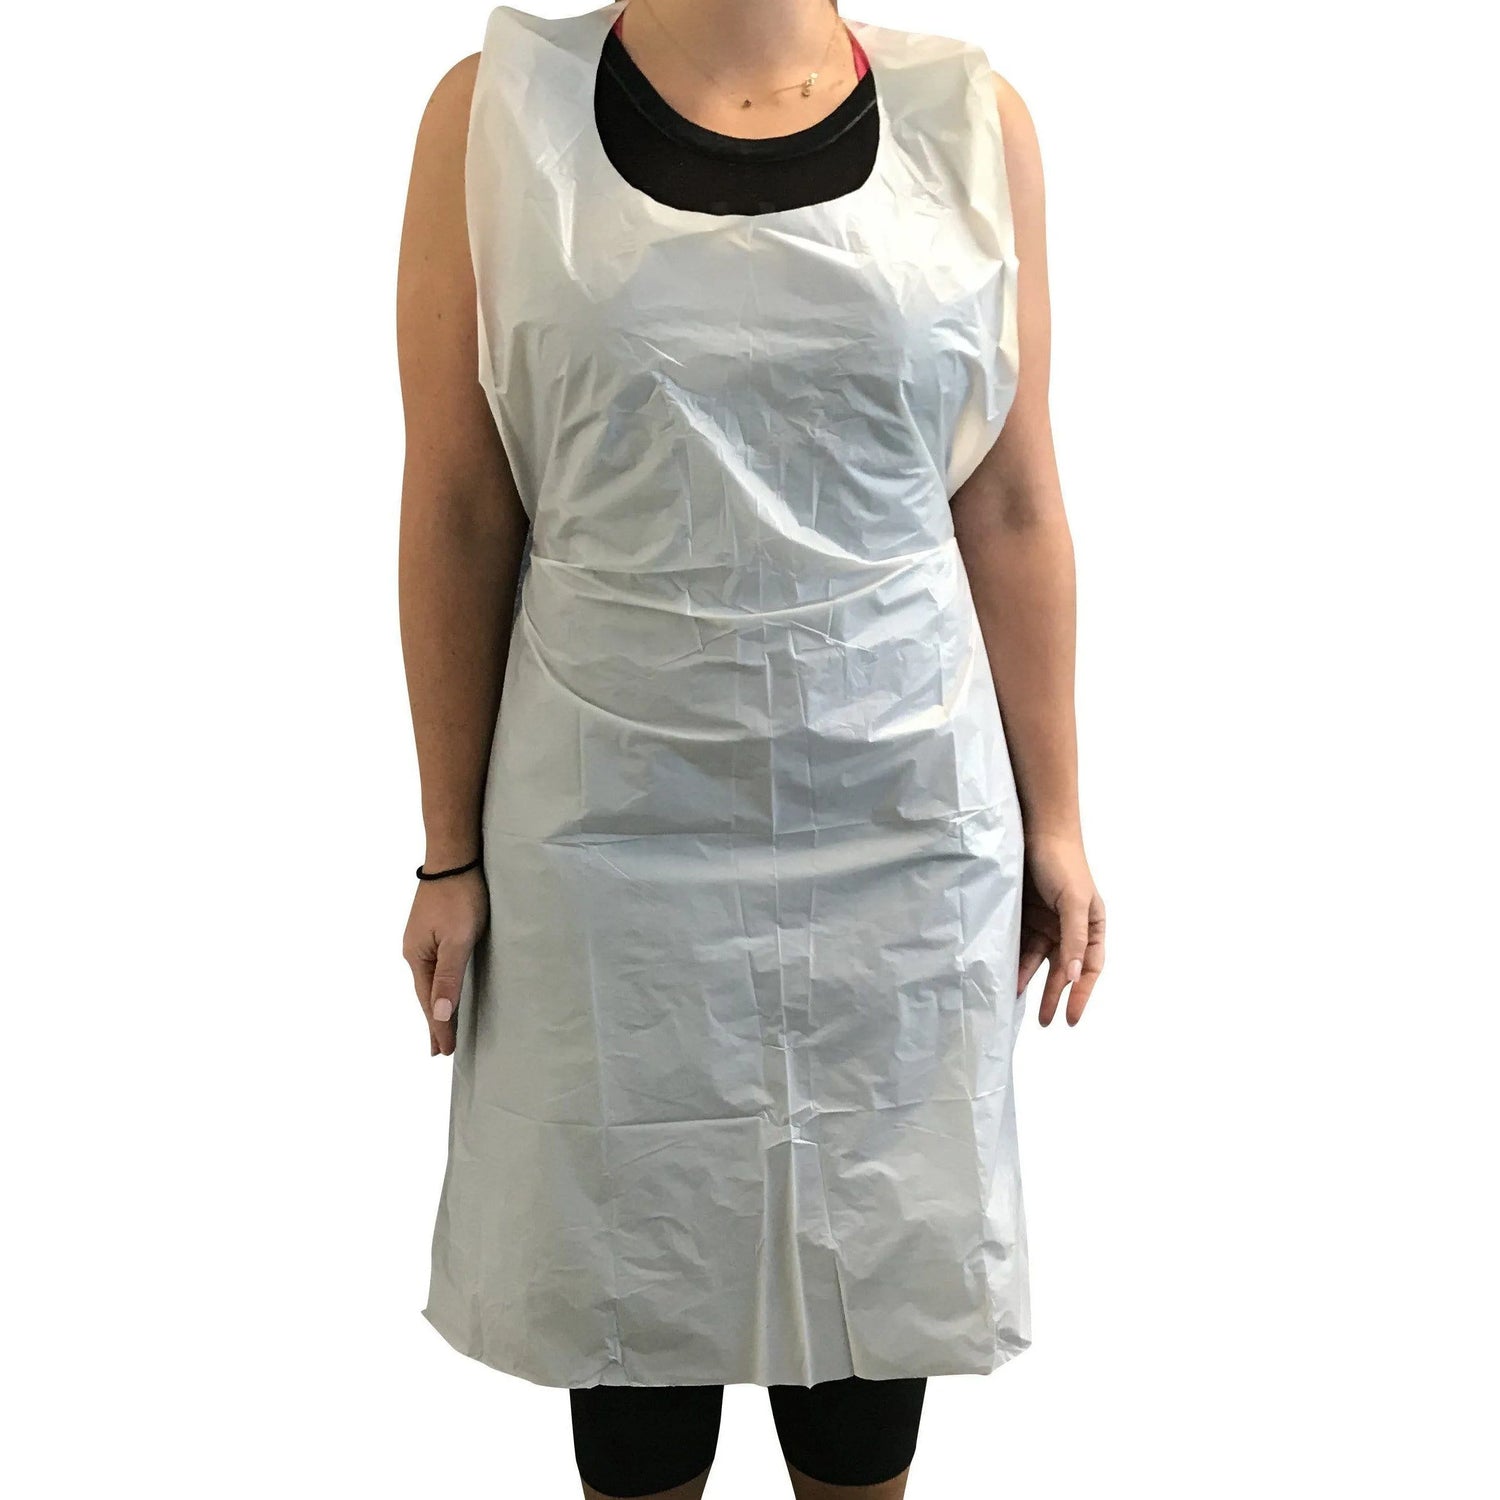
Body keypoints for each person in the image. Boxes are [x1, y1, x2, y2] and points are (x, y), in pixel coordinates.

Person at [395, 3, 1105, 1495]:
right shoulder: (496, 119)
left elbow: (1011, 498)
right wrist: (446, 850)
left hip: (900, 800)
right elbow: (461, 504)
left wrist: (1059, 818)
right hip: (607, 809)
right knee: (627, 1275)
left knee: (876, 1265)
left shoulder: (969, 127)